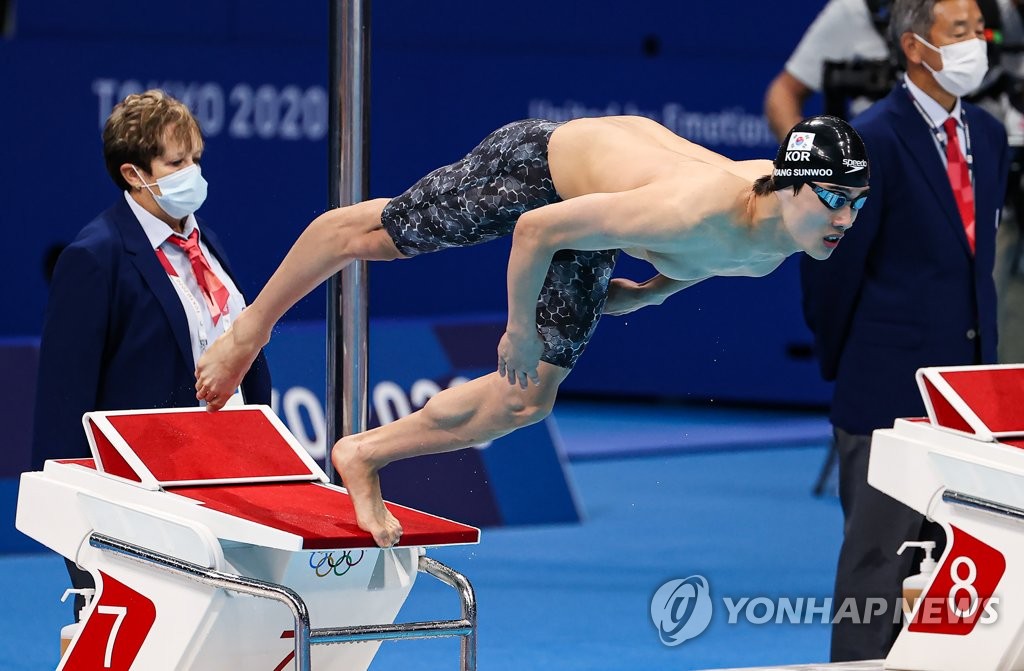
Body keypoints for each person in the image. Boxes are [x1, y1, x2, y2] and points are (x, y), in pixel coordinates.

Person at [194, 114, 870, 548]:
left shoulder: (790, 232)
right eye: (834, 200)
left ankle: (363, 453)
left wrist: (650, 295)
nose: (845, 219)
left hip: (599, 211)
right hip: (542, 169)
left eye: (857, 204)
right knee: (371, 234)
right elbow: (537, 229)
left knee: (525, 400)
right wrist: (518, 329)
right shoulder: (694, 212)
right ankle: (250, 330)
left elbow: (725, 258)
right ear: (790, 185)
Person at [800, 0, 1010, 661]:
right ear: (917, 48)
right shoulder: (867, 141)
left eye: (980, 29)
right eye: (961, 31)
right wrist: (855, 365)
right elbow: (828, 275)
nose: (979, 41)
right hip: (884, 392)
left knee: (960, 572)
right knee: (876, 571)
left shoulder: (992, 135)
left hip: (970, 401)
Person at [32, 89, 272, 617]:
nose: (194, 173)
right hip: (143, 496)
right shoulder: (94, 258)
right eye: (177, 162)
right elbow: (63, 399)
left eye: (197, 160)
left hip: (231, 480)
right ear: (133, 174)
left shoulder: (206, 242)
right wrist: (74, 529)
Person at [763, 0, 891, 141]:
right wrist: (801, 150)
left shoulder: (919, 16)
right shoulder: (854, 8)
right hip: (868, 152)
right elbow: (784, 91)